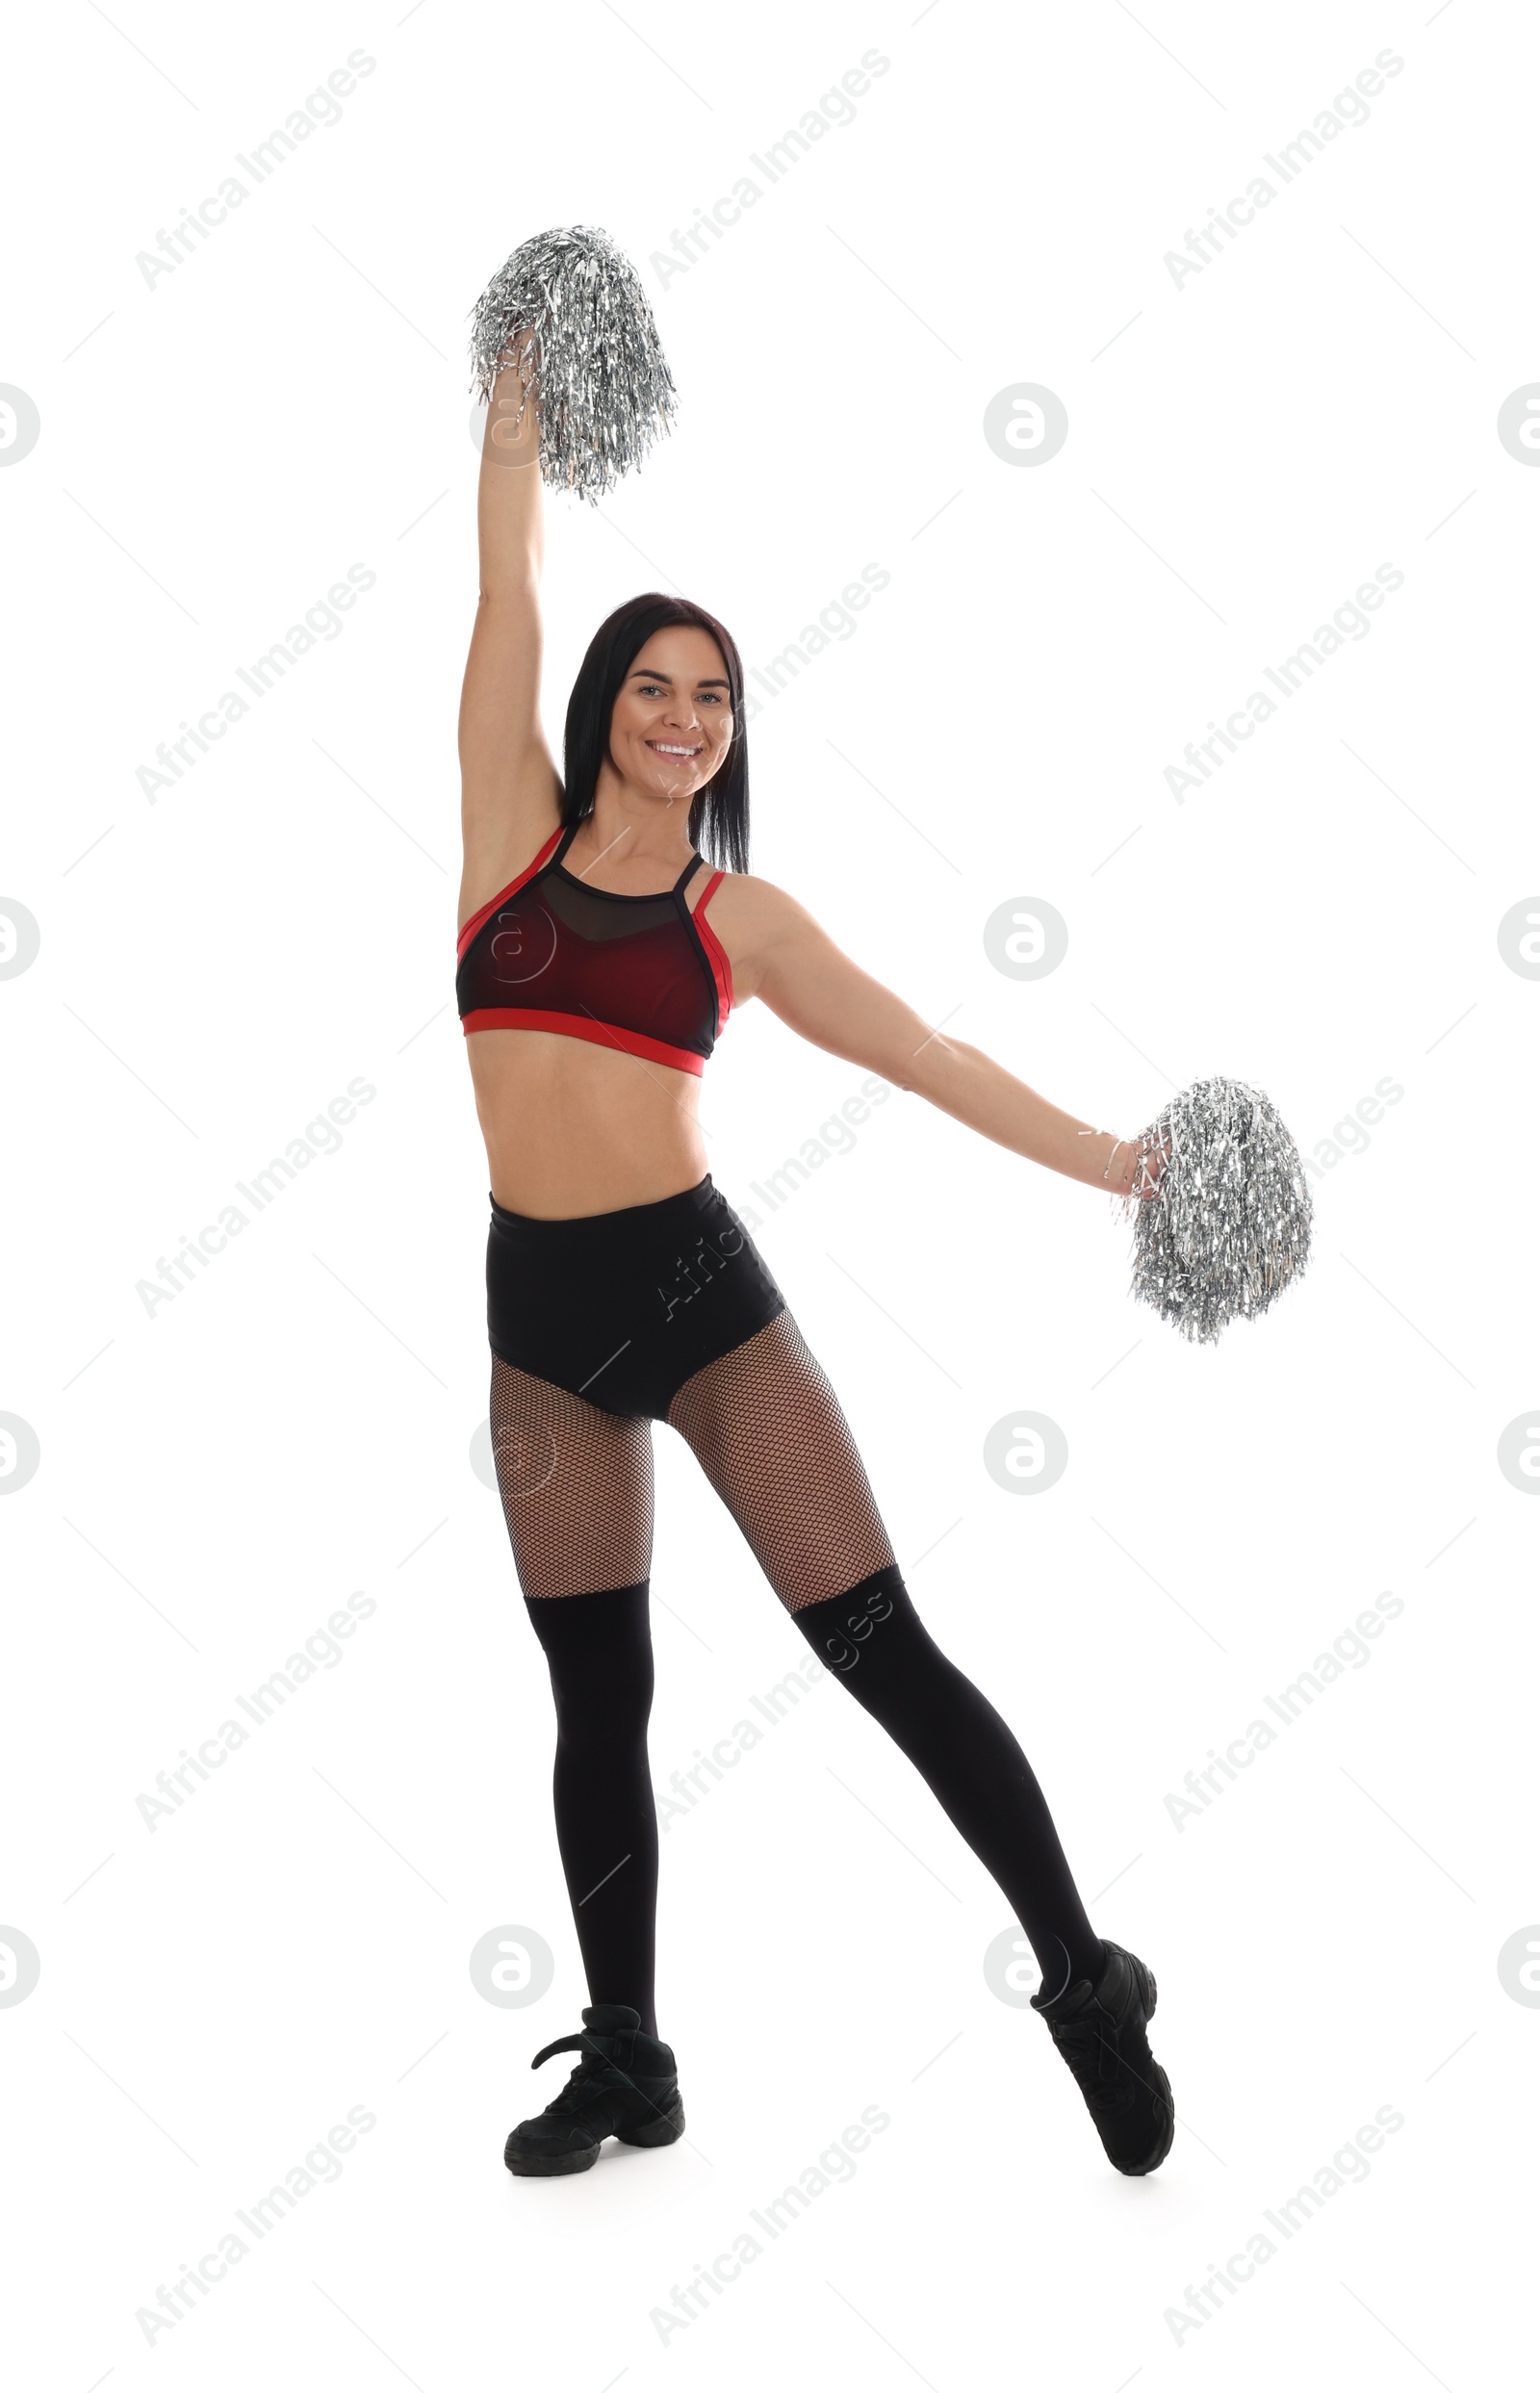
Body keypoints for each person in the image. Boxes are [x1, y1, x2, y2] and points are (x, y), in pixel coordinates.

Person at [458, 343, 1174, 2181]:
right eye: (655, 685)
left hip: (699, 1308)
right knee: (593, 1700)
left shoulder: (737, 916)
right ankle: (631, 2055)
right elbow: (506, 591)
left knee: (880, 1650)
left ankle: (1087, 1978)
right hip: (536, 1324)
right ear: (603, 700)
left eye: (717, 697)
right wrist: (519, 410)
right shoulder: (502, 847)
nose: (684, 716)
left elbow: (925, 1053)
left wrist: (1114, 1162)